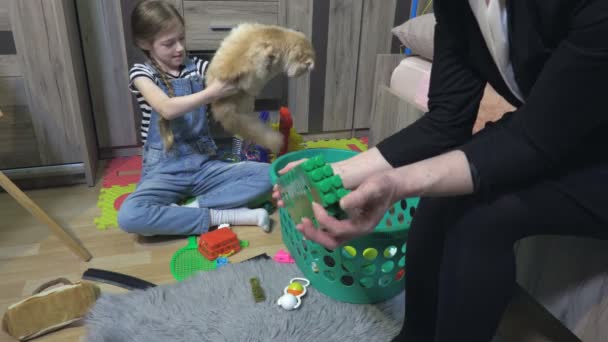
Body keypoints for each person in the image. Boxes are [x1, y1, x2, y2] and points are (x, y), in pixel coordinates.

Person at [273, 0, 608, 340]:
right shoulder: (457, 7)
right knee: (439, 194)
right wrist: (334, 172)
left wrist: (396, 184)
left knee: (482, 217)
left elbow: (534, 139)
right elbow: (446, 121)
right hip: (554, 130)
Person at [118, 0, 272, 236]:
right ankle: (224, 215)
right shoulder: (142, 73)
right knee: (130, 216)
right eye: (169, 43)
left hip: (204, 165)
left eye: (181, 38)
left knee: (269, 175)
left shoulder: (197, 67)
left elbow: (227, 78)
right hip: (163, 172)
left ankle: (193, 208)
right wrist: (211, 93)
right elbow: (166, 108)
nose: (179, 48)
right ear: (144, 44)